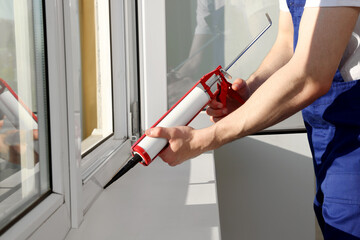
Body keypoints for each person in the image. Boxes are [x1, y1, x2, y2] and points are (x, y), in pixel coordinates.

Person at [146, 0, 360, 239]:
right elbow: (289, 42)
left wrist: (202, 139)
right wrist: (251, 88)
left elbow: (310, 75)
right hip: (325, 132)